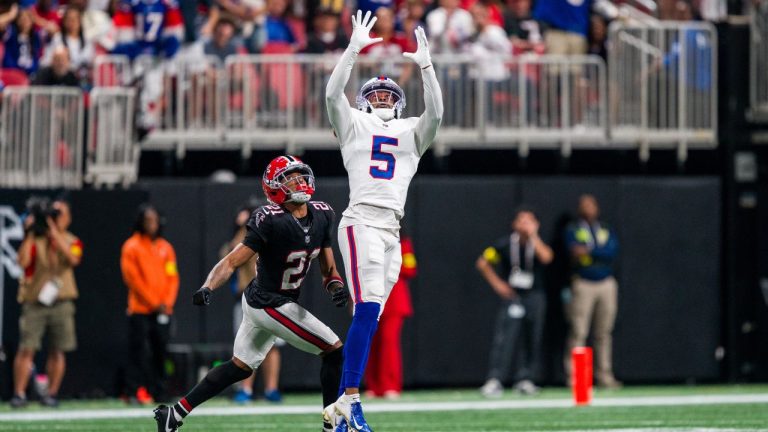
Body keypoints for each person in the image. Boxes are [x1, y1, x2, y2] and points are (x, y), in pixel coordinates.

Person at [153, 156, 349, 432]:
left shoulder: (322, 214)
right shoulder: (270, 219)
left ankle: (174, 414)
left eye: (301, 176)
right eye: (290, 178)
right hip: (269, 302)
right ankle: (334, 427)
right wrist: (208, 286)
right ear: (274, 186)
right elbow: (232, 260)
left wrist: (336, 287)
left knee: (240, 367)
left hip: (267, 301)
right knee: (333, 350)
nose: (300, 182)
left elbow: (329, 270)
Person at [323, 10, 442, 432]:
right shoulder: (354, 124)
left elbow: (438, 114)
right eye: (375, 94)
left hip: (392, 228)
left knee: (370, 316)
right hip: (361, 221)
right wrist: (353, 49)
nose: (383, 98)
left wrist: (426, 65)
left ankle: (341, 406)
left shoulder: (411, 130)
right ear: (364, 101)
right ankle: (350, 400)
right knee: (368, 308)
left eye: (390, 94)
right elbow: (332, 93)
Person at [12, 199, 83, 408]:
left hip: (61, 301)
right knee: (27, 348)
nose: (56, 218)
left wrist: (53, 231)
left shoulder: (72, 240)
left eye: (60, 214)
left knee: (58, 349)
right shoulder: (35, 240)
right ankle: (19, 393)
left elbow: (73, 259)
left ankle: (51, 393)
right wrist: (30, 233)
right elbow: (22, 262)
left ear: (68, 218)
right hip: (35, 302)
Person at [477, 209, 553, 398]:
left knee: (532, 337)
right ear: (514, 224)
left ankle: (525, 378)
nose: (525, 224)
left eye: (529, 221)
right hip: (513, 296)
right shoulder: (505, 245)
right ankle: (496, 379)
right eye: (522, 220)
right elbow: (483, 262)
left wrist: (534, 236)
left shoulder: (536, 244)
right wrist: (498, 284)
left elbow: (547, 257)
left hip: (535, 295)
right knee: (505, 338)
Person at [219, 201, 283, 404]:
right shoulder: (244, 235)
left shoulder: (274, 231)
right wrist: (242, 227)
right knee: (247, 345)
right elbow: (229, 255)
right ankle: (245, 389)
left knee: (272, 345)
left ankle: (271, 388)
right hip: (247, 297)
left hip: (272, 296)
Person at [120, 204, 180, 404]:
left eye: (154, 220)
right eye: (147, 220)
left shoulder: (165, 247)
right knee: (138, 351)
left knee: (161, 351)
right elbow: (133, 279)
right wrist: (154, 302)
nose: (151, 224)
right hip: (140, 309)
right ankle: (133, 391)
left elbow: (173, 278)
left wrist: (167, 302)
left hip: (163, 309)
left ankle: (160, 391)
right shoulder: (132, 246)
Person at [564, 194, 621, 389]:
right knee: (579, 330)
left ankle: (604, 376)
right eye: (584, 205)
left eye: (591, 204)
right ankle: (577, 378)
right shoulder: (573, 229)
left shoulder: (605, 228)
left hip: (605, 282)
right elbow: (572, 251)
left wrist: (589, 251)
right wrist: (597, 251)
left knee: (604, 332)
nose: (588, 208)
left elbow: (612, 251)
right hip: (584, 282)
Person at [363, 234, 416, 399]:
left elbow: (410, 269)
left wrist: (387, 263)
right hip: (371, 296)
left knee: (389, 341)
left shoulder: (403, 243)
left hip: (394, 299)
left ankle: (390, 385)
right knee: (371, 343)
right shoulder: (367, 241)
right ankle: (374, 386)